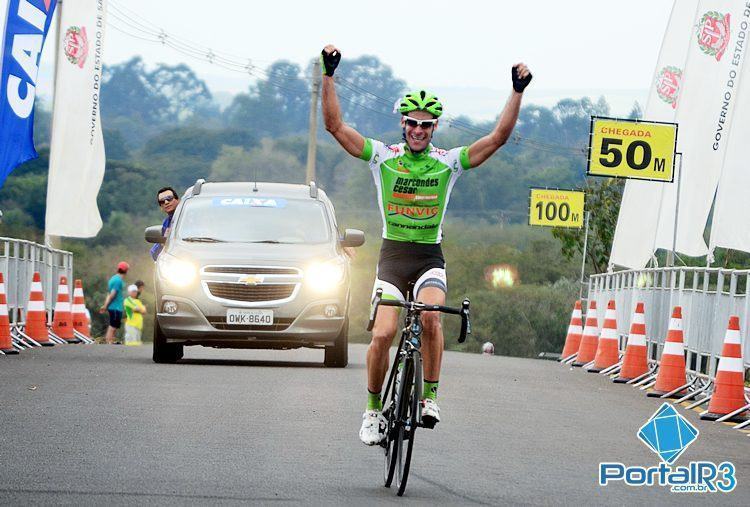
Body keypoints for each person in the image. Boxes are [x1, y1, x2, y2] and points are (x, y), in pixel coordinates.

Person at [320, 45, 532, 445]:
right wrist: (328, 75)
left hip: (429, 258)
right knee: (383, 334)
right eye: (412, 124)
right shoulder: (382, 157)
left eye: (426, 125)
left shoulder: (447, 162)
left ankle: (430, 398)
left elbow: (498, 138)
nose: (418, 130)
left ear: (435, 128)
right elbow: (335, 127)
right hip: (392, 257)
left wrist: (517, 91)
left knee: (432, 318)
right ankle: (370, 411)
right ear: (403, 125)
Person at [99, 261, 129, 345]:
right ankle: (109, 342)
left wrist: (105, 305)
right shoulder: (118, 281)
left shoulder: (113, 279)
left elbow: (108, 294)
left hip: (114, 307)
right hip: (116, 307)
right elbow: (112, 294)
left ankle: (110, 341)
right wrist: (105, 306)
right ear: (126, 271)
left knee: (114, 325)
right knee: (113, 326)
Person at [150, 186, 180, 261]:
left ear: (177, 200)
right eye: (162, 201)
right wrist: (163, 242)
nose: (166, 202)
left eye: (169, 198)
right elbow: (154, 254)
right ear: (161, 207)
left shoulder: (189, 217)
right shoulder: (166, 223)